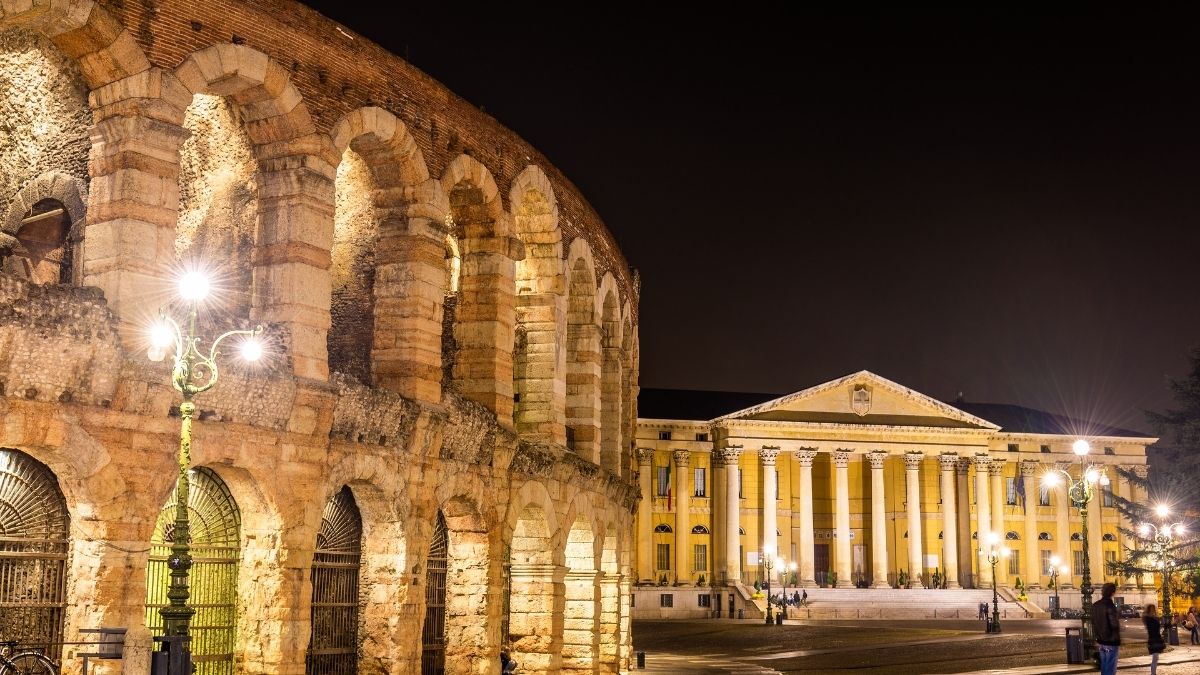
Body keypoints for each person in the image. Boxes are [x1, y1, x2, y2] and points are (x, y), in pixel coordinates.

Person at [1091, 582, 1120, 675]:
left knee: (1104, 666)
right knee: (1110, 668)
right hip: (1111, 642)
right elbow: (1114, 625)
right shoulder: (1110, 605)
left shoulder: (1095, 605)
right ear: (1112, 593)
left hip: (1100, 641)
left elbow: (1094, 623)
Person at [1144, 604, 1165, 675]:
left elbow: (1160, 627)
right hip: (1153, 639)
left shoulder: (1155, 618)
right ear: (1149, 610)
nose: (1153, 610)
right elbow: (1152, 629)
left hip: (1157, 639)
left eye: (1154, 609)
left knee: (1156, 658)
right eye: (1152, 609)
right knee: (1155, 657)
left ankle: (1153, 673)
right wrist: (1156, 619)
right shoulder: (1148, 619)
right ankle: (1153, 673)